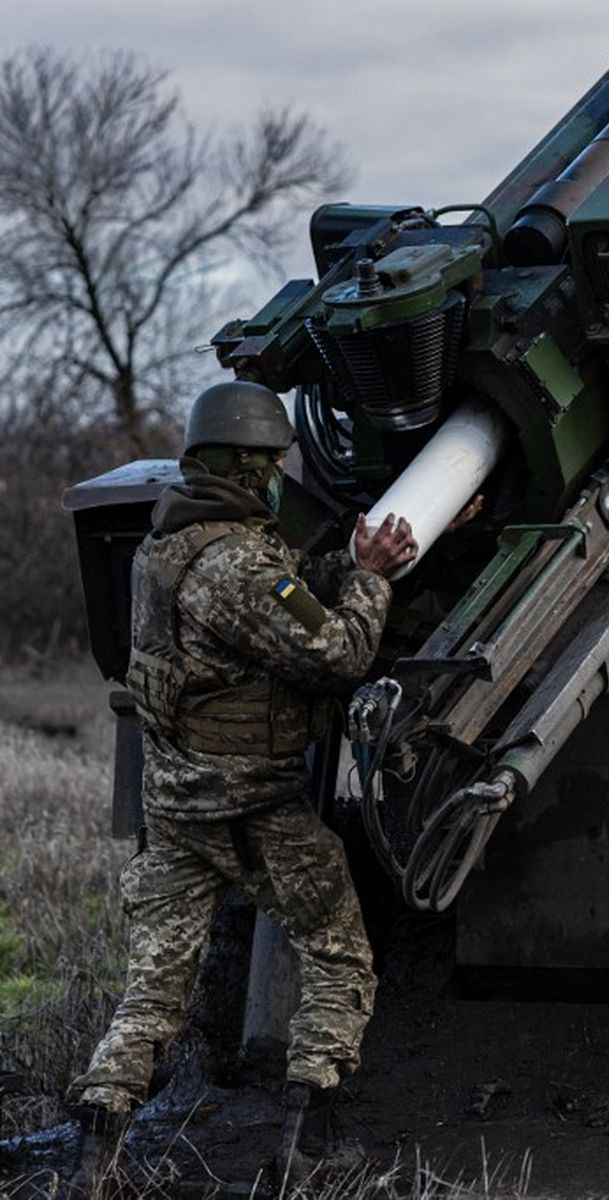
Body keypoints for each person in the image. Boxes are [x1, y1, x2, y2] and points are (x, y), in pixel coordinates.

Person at [65, 379, 415, 1191]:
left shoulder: (168, 544)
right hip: (252, 809)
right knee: (338, 953)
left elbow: (281, 587)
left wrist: (346, 562)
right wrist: (372, 583)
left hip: (178, 810)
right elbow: (334, 656)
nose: (277, 479)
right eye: (271, 465)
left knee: (152, 992)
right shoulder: (233, 564)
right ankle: (308, 1142)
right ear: (250, 466)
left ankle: (93, 1160)